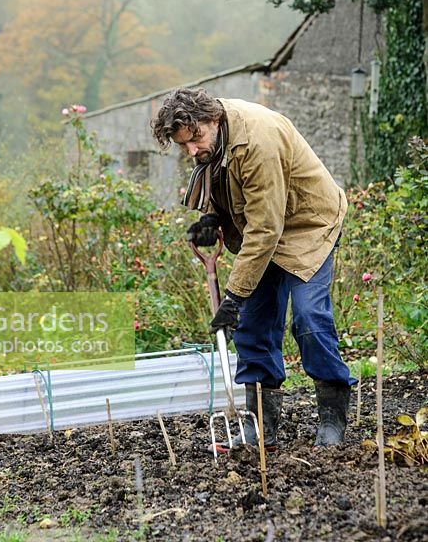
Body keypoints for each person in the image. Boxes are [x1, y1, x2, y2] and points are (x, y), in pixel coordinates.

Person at [151, 88, 356, 449]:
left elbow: (265, 230)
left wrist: (233, 295)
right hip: (265, 228)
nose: (192, 151)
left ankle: (332, 418)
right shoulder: (211, 138)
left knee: (308, 318)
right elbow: (223, 183)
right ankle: (261, 423)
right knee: (253, 323)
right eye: (183, 146)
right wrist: (212, 217)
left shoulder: (256, 140)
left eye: (195, 139)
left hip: (308, 225)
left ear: (213, 118)